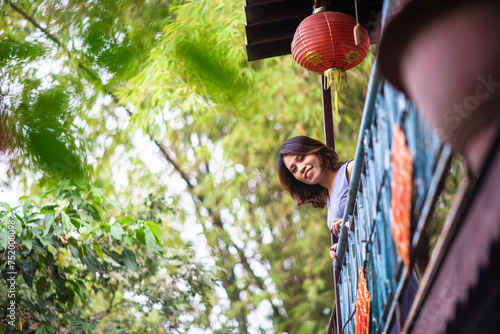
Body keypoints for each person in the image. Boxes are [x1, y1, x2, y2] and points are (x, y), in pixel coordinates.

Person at [277, 135, 418, 332]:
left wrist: (351, 223)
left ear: (314, 150)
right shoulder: (329, 196)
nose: (300, 168)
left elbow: (383, 203)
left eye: (301, 158)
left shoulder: (350, 170)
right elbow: (353, 233)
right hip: (369, 282)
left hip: (388, 263)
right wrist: (340, 248)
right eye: (294, 170)